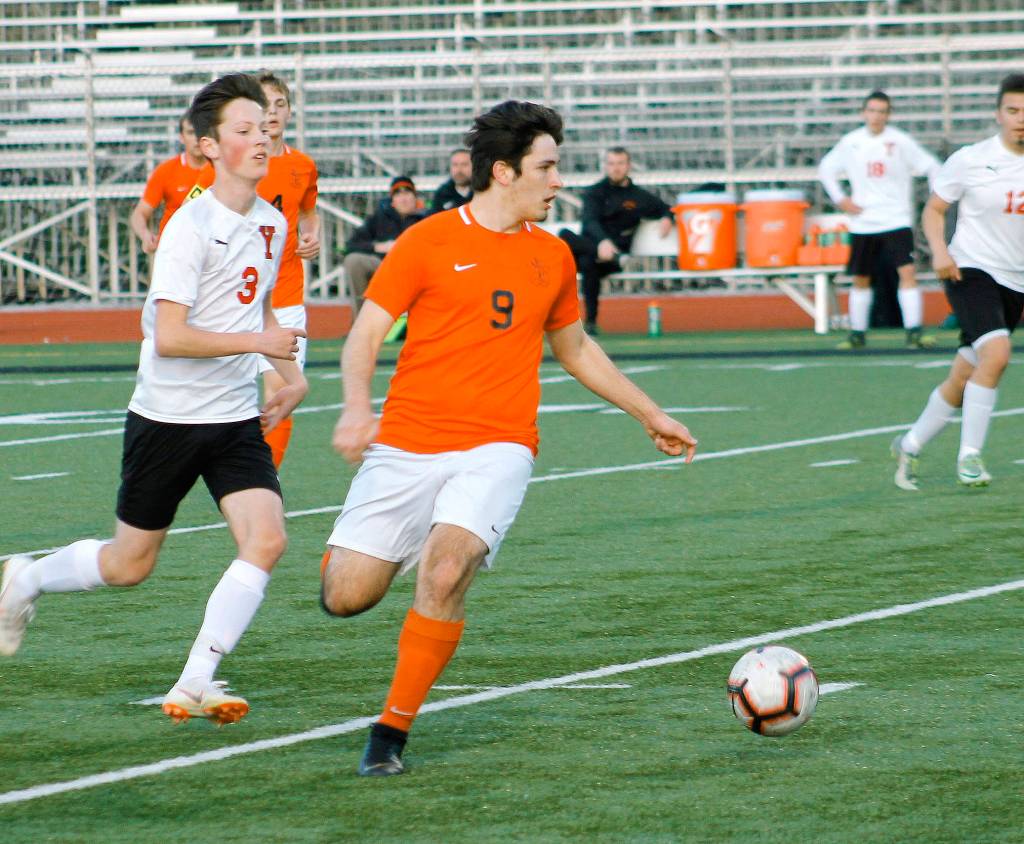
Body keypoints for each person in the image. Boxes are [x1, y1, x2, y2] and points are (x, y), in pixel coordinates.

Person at [319, 100, 697, 777]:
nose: (558, 182)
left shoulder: (553, 256)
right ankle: (416, 545)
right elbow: (365, 335)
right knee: (345, 595)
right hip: (406, 441)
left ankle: (389, 734)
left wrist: (651, 413)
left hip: (499, 443)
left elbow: (576, 349)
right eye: (547, 168)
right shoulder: (427, 240)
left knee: (446, 569)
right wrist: (355, 409)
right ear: (503, 172)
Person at [0, 74, 309, 725]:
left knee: (268, 539)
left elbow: (256, 312)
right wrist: (261, 339)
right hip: (167, 419)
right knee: (128, 564)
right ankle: (23, 578)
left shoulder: (272, 222)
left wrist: (291, 376)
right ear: (207, 146)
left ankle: (198, 677)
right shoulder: (189, 226)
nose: (262, 138)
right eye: (245, 129)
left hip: (231, 417)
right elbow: (170, 336)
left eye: (265, 126)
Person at [891, 73, 1024, 490]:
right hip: (969, 270)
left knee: (964, 374)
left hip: (1016, 281)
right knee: (998, 354)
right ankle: (970, 456)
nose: (1020, 119)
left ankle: (909, 445)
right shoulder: (971, 158)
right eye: (1013, 110)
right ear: (998, 114)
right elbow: (933, 210)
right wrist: (940, 251)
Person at [190, 71, 320, 468]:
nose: (274, 112)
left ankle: (264, 480)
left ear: (290, 112)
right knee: (214, 400)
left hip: (284, 298)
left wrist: (312, 237)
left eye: (281, 104)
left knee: (280, 391)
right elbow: (191, 216)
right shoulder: (228, 166)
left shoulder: (303, 166)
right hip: (232, 300)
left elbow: (309, 212)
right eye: (266, 105)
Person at [818, 91, 942, 349]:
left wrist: (936, 197)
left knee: (907, 272)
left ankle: (914, 332)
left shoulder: (899, 141)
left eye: (882, 111)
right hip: (864, 221)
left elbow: (931, 166)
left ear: (888, 115)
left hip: (896, 219)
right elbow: (826, 169)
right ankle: (857, 333)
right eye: (872, 110)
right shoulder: (851, 142)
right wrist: (841, 199)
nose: (876, 116)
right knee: (861, 277)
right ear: (864, 113)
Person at [559, 147, 674, 334]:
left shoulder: (639, 196)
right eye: (611, 163)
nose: (616, 168)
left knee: (588, 263)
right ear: (605, 166)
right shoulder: (594, 192)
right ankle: (585, 322)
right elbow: (589, 221)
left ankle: (590, 323)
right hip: (593, 248)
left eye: (620, 163)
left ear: (628, 166)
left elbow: (666, 208)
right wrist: (602, 243)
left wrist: (668, 217)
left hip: (612, 259)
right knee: (566, 236)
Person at [343, 175, 426, 316]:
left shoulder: (426, 219)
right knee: (354, 261)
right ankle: (362, 320)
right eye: (398, 194)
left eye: (407, 193)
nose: (403, 198)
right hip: (383, 266)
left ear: (415, 198)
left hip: (416, 269)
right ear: (392, 200)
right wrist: (378, 247)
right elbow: (351, 244)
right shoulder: (379, 218)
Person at [129, 114, 206, 255]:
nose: (196, 138)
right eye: (191, 132)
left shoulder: (222, 170)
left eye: (201, 131)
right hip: (174, 249)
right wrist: (146, 236)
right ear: (181, 137)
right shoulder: (166, 171)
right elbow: (140, 213)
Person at [429, 147, 473, 213]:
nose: (459, 170)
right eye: (455, 165)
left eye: (464, 164)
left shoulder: (482, 191)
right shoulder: (441, 194)